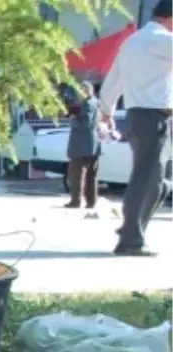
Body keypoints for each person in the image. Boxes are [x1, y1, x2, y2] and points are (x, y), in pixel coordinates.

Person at [98, 3, 173, 256]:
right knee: (147, 179)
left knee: (159, 181)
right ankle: (130, 239)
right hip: (153, 117)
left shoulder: (131, 42)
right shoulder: (160, 39)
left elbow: (113, 80)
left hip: (140, 116)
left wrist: (106, 110)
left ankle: (132, 229)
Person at [65, 81, 102, 211]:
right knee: (91, 175)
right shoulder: (96, 102)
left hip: (82, 145)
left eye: (80, 90)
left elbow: (85, 123)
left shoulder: (88, 104)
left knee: (76, 174)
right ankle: (91, 201)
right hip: (93, 144)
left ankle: (76, 201)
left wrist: (73, 118)